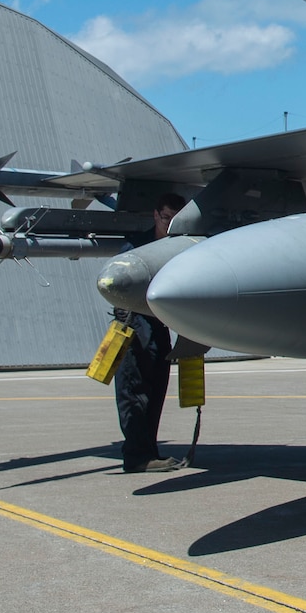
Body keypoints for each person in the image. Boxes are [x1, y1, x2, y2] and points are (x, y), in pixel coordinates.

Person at [113, 192, 189, 474]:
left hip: (159, 328)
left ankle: (149, 451)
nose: (170, 224)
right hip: (133, 327)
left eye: (175, 219)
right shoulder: (137, 249)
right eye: (166, 217)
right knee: (134, 392)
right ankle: (136, 456)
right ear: (156, 215)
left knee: (155, 392)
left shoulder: (176, 247)